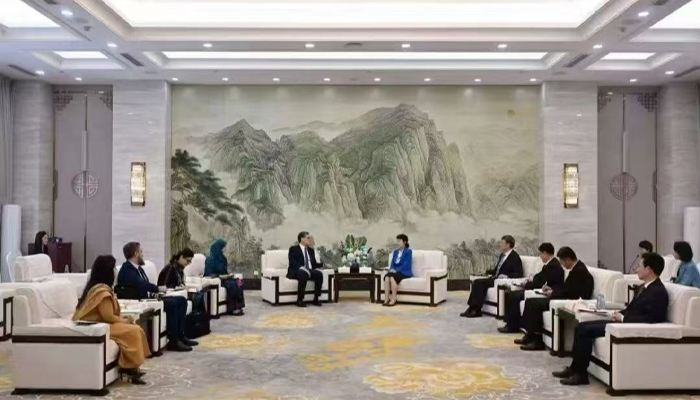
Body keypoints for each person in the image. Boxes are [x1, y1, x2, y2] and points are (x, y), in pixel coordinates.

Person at [554, 252, 669, 385]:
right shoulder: (645, 287)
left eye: (639, 266)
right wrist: (617, 313)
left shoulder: (658, 291)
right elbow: (631, 308)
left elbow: (653, 318)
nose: (636, 269)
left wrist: (624, 319)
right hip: (623, 322)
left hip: (628, 326)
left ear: (648, 269)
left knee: (585, 331)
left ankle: (581, 375)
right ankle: (574, 369)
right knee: (581, 326)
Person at [73, 255, 150, 385]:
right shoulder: (102, 291)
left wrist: (123, 320)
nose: (115, 271)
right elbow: (107, 317)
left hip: (103, 324)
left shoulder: (98, 287)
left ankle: (131, 366)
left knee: (134, 328)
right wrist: (124, 321)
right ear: (107, 271)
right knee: (134, 330)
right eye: (114, 268)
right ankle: (129, 367)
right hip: (98, 326)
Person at [116, 242, 196, 352]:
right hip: (140, 301)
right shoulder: (127, 269)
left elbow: (145, 285)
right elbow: (141, 285)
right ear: (136, 254)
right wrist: (157, 289)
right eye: (141, 252)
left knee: (181, 300)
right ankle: (174, 341)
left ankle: (180, 336)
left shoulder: (139, 269)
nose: (143, 254)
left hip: (149, 298)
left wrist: (157, 292)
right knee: (173, 303)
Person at [518, 246, 594, 351]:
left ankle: (537, 340)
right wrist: (552, 290)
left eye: (562, 262)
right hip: (564, 297)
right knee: (530, 301)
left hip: (569, 301)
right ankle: (530, 335)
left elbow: (571, 293)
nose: (562, 265)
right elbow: (566, 288)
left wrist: (553, 294)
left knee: (535, 304)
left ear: (567, 260)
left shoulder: (579, 271)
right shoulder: (576, 268)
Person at [498, 242, 564, 333]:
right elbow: (539, 277)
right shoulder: (551, 264)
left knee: (514, 296)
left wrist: (526, 285)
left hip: (543, 291)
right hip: (539, 288)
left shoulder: (553, 266)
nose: (540, 257)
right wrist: (530, 280)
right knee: (513, 295)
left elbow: (540, 282)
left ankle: (512, 326)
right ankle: (511, 324)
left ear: (545, 253)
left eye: (541, 254)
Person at [460, 235, 523, 318]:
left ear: (508, 245)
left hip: (501, 281)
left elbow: (519, 274)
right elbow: (496, 270)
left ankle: (476, 309)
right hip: (494, 278)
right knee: (476, 282)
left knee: (478, 282)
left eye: (502, 243)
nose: (500, 244)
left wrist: (506, 276)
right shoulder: (502, 255)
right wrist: (486, 271)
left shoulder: (515, 257)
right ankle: (472, 308)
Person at [204, 239, 245, 316]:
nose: (225, 248)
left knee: (239, 282)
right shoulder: (210, 259)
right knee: (232, 285)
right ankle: (233, 309)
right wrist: (220, 276)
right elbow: (208, 274)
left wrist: (229, 275)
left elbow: (225, 272)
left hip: (225, 279)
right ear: (219, 248)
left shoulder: (223, 258)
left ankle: (239, 306)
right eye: (224, 247)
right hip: (217, 280)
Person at [288, 231, 325, 308]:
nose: (309, 240)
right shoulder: (293, 249)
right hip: (297, 271)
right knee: (303, 274)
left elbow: (313, 264)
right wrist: (301, 268)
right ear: (302, 239)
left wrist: (323, 265)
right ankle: (300, 299)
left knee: (319, 274)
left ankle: (316, 298)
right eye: (308, 238)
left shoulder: (311, 250)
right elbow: (292, 262)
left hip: (309, 270)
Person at [383, 234, 413, 307]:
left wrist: (396, 270)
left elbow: (406, 264)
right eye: (397, 241)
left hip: (404, 272)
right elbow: (392, 263)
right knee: (387, 277)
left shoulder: (408, 251)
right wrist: (391, 269)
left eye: (399, 241)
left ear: (404, 242)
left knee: (392, 277)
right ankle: (386, 298)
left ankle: (394, 299)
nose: (397, 243)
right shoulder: (395, 252)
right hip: (394, 272)